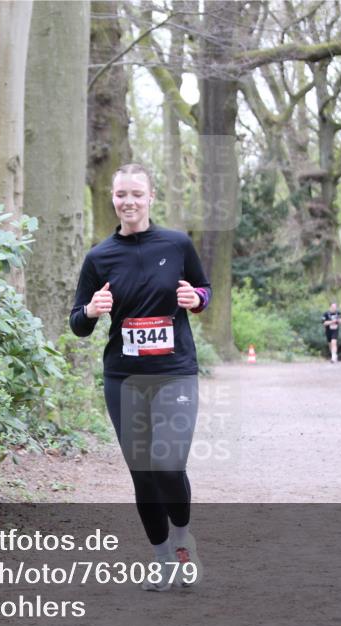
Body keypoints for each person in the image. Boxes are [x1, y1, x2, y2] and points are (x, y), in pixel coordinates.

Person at [69, 163, 211, 591]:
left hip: (174, 372)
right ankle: (162, 557)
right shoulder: (99, 257)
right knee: (143, 473)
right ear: (113, 199)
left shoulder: (177, 243)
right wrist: (92, 312)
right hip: (124, 378)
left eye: (136, 193)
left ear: (151, 197)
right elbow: (78, 322)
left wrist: (196, 298)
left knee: (168, 463)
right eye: (120, 195)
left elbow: (203, 290)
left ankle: (184, 542)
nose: (128, 201)